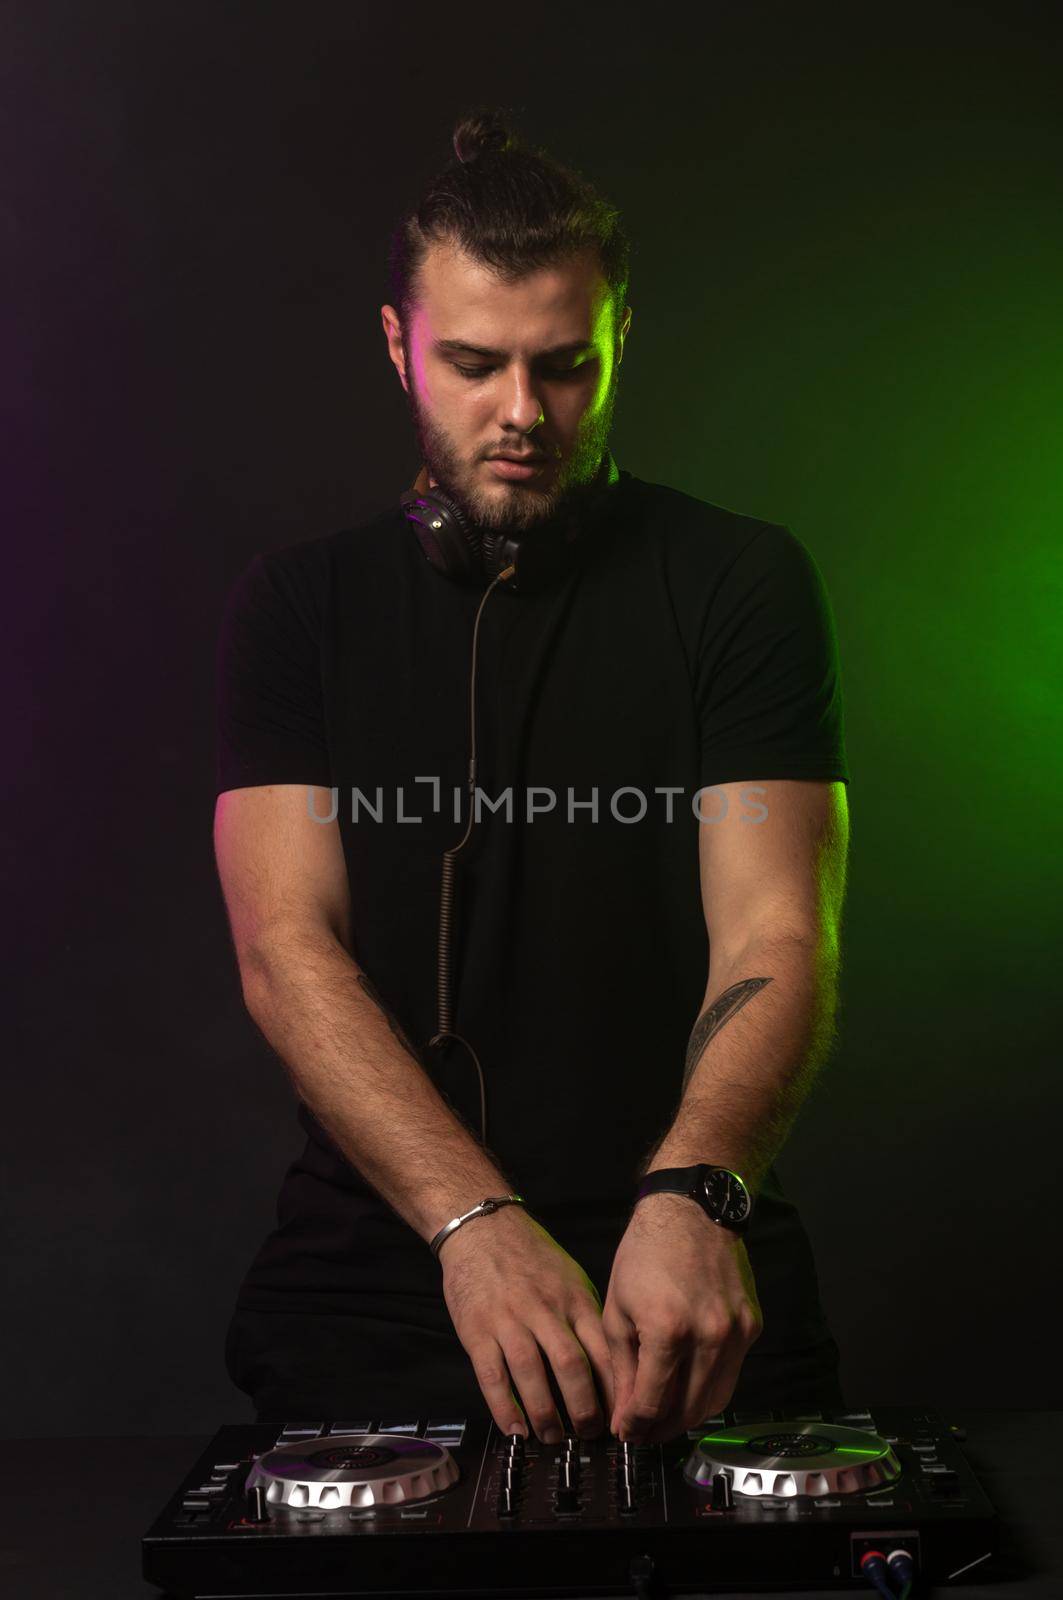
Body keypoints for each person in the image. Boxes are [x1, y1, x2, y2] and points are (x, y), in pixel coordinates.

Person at [213, 107, 852, 1447]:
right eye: (473, 365)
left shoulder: (740, 583)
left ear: (620, 339)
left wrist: (693, 1198)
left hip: (685, 1263)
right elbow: (287, 948)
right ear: (398, 350)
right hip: (387, 1276)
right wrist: (472, 1223)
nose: (522, 413)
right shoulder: (301, 607)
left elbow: (778, 931)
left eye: (565, 366)